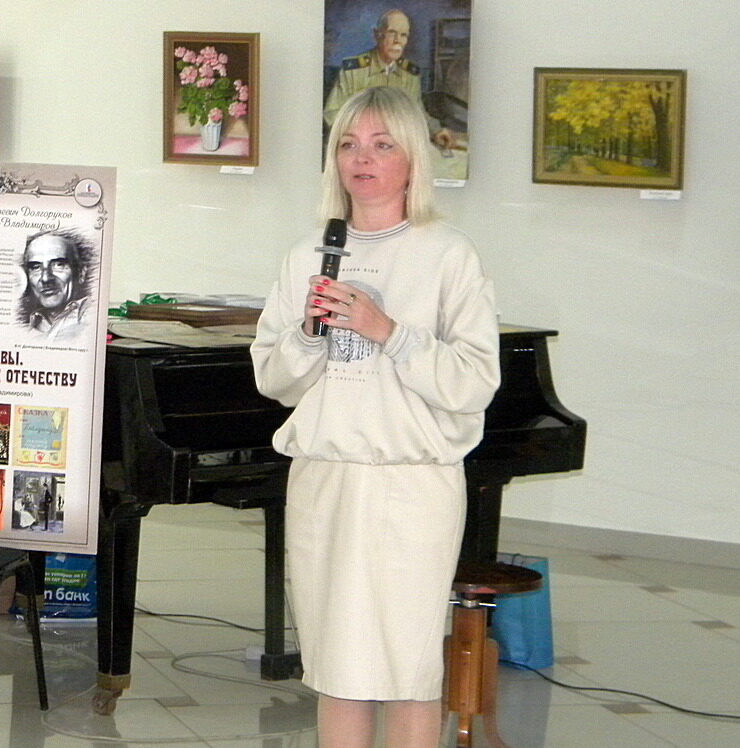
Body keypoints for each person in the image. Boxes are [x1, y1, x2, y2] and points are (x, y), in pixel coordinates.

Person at [251, 86, 500, 747]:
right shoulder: (306, 254)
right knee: (336, 666)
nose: (362, 159)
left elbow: (475, 381)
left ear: (413, 158)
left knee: (405, 667)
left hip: (411, 485)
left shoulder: (448, 254)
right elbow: (274, 379)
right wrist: (309, 333)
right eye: (348, 144)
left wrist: (386, 329)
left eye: (382, 144)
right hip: (325, 479)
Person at [323, 9, 457, 151]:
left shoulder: (409, 74)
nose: (397, 41)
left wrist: (436, 131)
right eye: (392, 33)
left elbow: (416, 112)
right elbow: (332, 114)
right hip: (361, 146)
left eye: (403, 35)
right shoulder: (354, 71)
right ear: (377, 35)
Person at [17, 229, 95, 340]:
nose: (45, 278)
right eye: (36, 267)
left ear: (81, 273)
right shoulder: (27, 326)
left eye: (59, 265)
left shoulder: (92, 317)